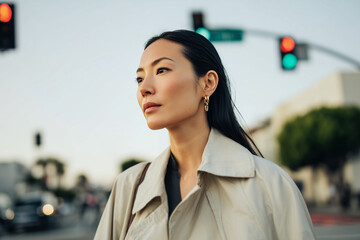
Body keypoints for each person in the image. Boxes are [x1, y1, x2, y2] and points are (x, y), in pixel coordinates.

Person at [94, 30, 315, 240]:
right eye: (139, 79)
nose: (144, 88)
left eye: (161, 70)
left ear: (208, 83)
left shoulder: (271, 184)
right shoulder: (129, 187)